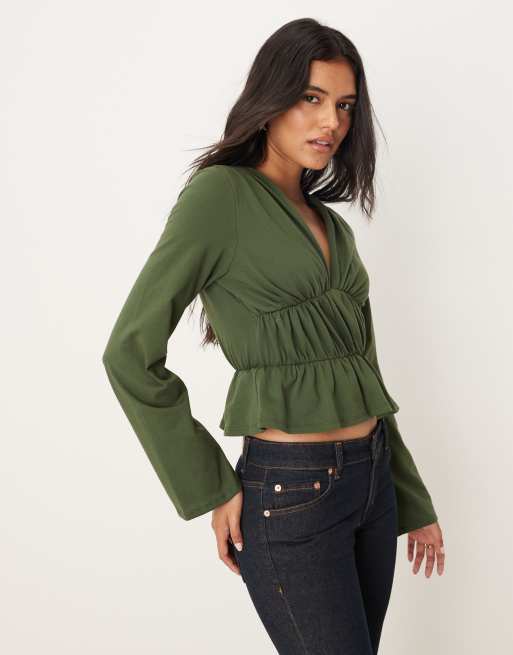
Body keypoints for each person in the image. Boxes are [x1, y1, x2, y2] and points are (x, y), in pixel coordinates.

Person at [102, 17, 445, 655]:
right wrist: (210, 483)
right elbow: (129, 353)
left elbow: (364, 372)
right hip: (292, 490)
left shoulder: (332, 227)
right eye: (311, 98)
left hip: (372, 485)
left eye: (345, 105)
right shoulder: (219, 197)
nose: (331, 122)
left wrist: (411, 498)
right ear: (271, 98)